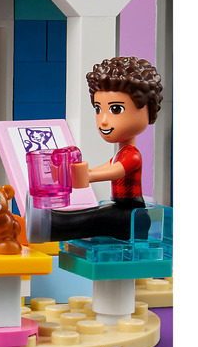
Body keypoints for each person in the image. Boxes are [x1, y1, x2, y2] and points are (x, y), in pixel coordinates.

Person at [26, 56, 163, 243]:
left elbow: (114, 172)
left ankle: (49, 227)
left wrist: (88, 176)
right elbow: (107, 167)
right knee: (96, 214)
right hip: (122, 210)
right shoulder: (121, 153)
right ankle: (49, 222)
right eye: (98, 109)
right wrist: (79, 173)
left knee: (94, 219)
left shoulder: (133, 156)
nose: (103, 121)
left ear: (147, 110)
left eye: (116, 109)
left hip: (130, 214)